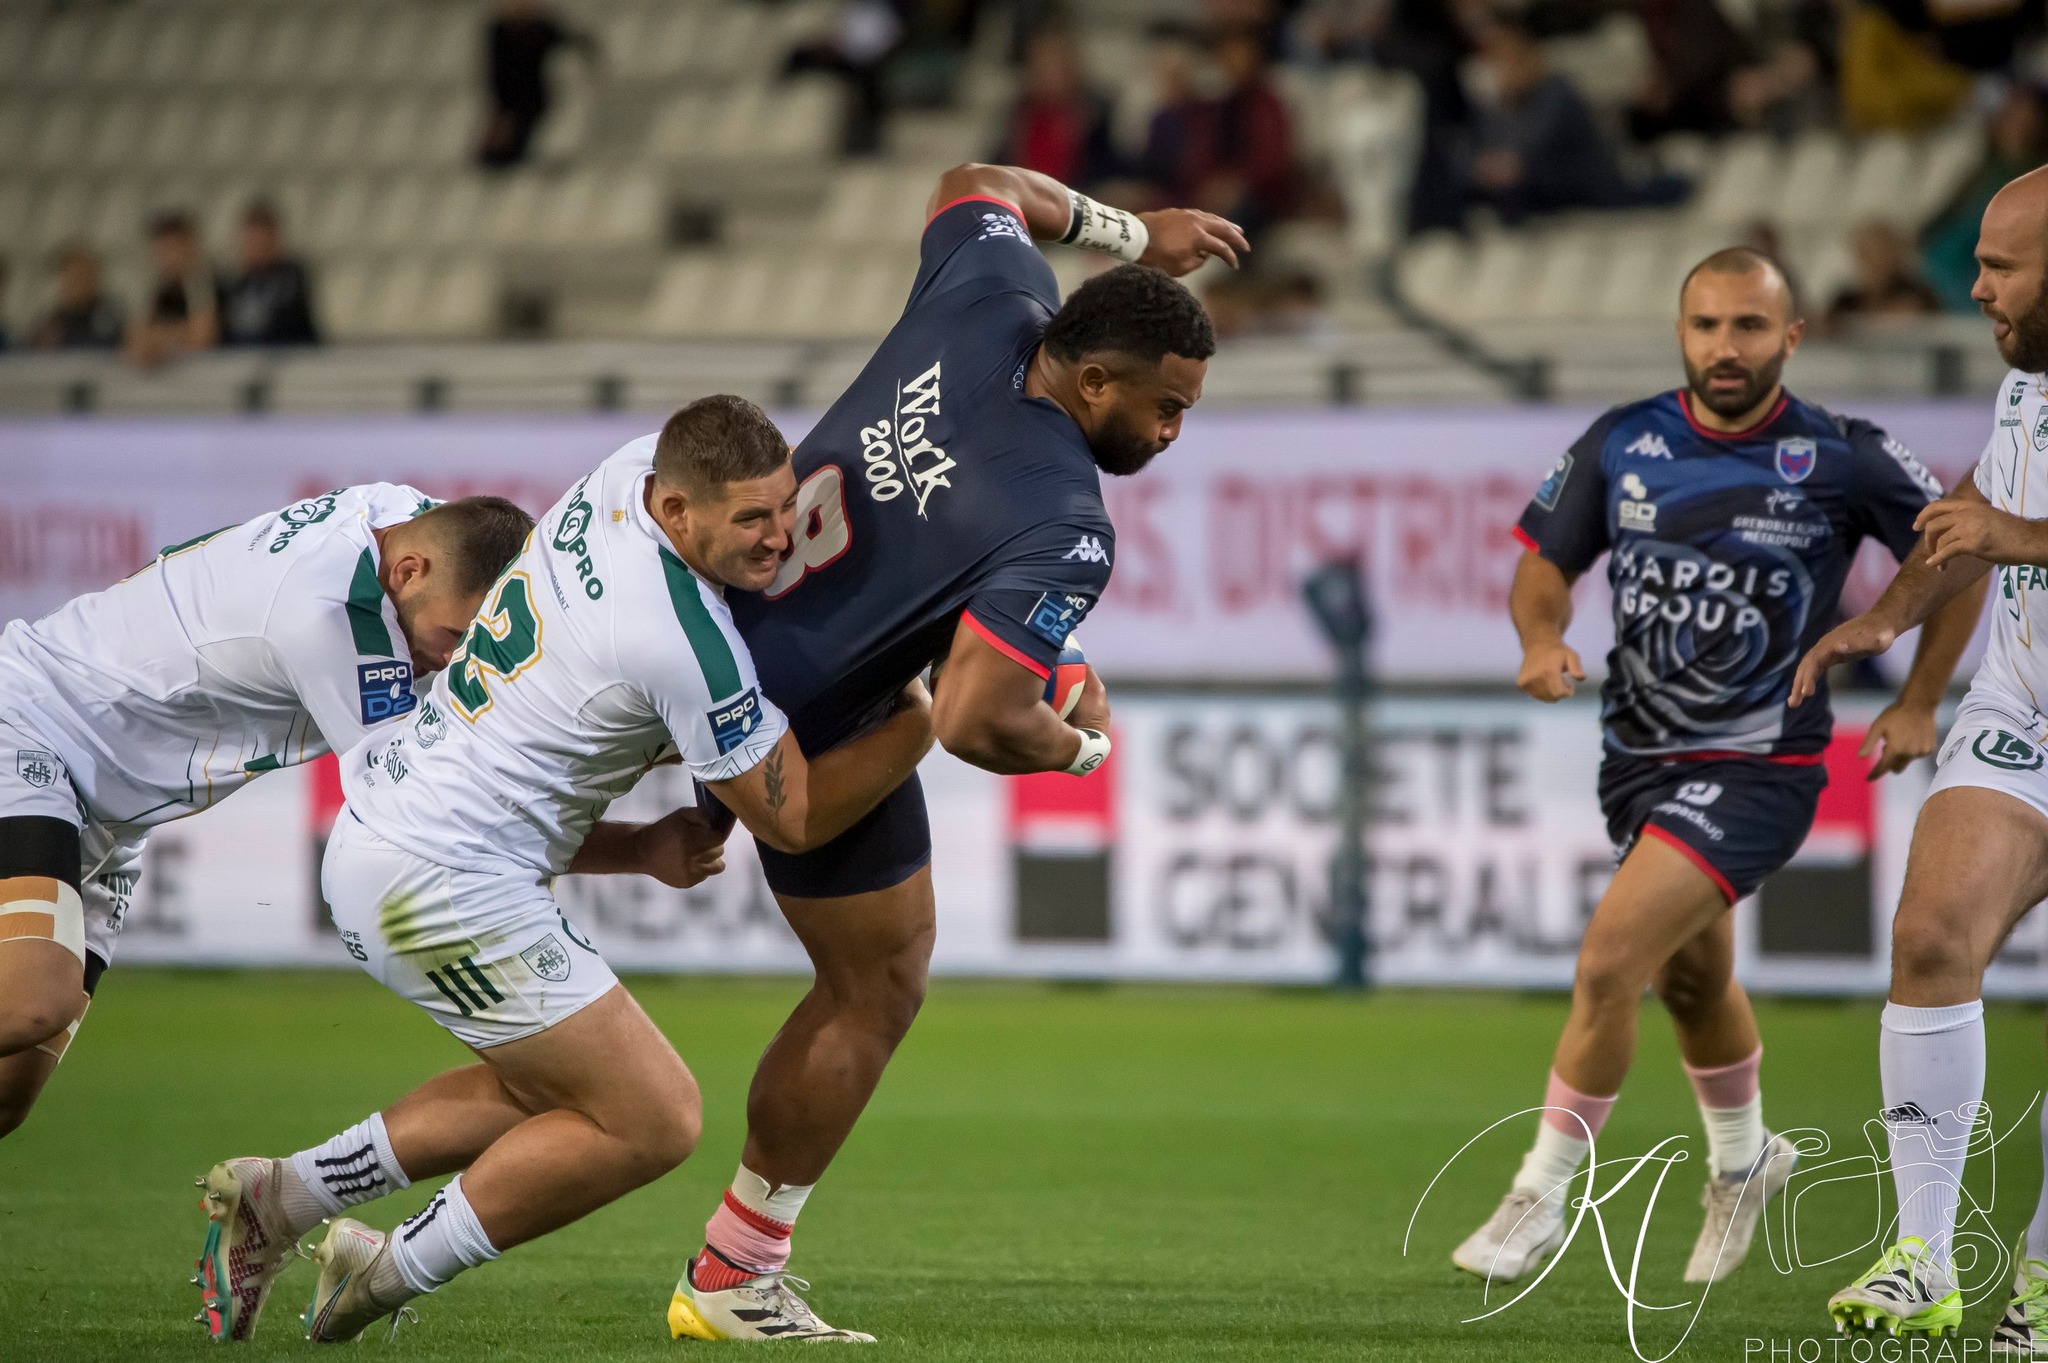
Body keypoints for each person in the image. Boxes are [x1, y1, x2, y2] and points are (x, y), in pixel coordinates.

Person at [199, 397, 938, 1343]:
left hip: (402, 836)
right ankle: (384, 1267)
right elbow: (790, 819)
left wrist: (637, 848)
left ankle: (285, 1193)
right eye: (750, 519)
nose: (778, 535)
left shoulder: (623, 475)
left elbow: (565, 719)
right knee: (654, 1117)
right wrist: (921, 720)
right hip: (439, 880)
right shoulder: (678, 636)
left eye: (783, 506)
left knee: (550, 1087)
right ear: (677, 511)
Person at [661, 164, 1241, 1342]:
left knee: (498, 886)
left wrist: (1128, 232)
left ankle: (340, 1185)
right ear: (1089, 380)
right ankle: (730, 1274)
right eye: (1164, 407)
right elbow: (978, 718)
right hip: (795, 721)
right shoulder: (1064, 518)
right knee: (874, 984)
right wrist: (1075, 747)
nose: (1172, 434)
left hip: (695, 630)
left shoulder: (989, 292)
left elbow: (975, 181)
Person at [1452, 246, 1986, 1288]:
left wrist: (1920, 697)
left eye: (1748, 326)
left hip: (1758, 765)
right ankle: (1745, 1161)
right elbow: (1540, 562)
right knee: (1690, 978)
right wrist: (1538, 638)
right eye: (1705, 326)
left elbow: (1953, 553)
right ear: (1680, 331)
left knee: (1608, 960)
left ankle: (1541, 1191)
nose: (1724, 347)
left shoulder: (1838, 453)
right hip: (1637, 759)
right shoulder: (1623, 440)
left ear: (1789, 337)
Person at [0, 490, 534, 1153]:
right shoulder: (334, 613)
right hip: (33, 729)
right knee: (33, 1002)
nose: (454, 661)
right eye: (454, 637)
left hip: (112, 812)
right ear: (408, 572)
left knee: (7, 1096)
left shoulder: (403, 523)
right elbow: (421, 805)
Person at [1803, 165, 2048, 1348]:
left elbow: (2007, 525)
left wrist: (2024, 538)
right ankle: (1921, 1255)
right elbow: (1972, 508)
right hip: (2023, 706)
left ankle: (2043, 1284)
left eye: (2000, 264)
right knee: (1929, 936)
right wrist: (1888, 618)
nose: (1975, 284)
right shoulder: (2025, 380)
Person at [991, 27, 1121, 192]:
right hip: (1023, 198)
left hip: (1077, 199)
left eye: (1057, 64)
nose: (1050, 73)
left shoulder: (1096, 113)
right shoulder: (1019, 110)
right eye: (1043, 65)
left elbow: (1107, 168)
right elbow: (997, 163)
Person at [478, 0, 597, 168]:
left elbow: (576, 41)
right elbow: (496, 73)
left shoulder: (542, 29)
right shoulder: (500, 32)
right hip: (511, 101)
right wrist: (504, 111)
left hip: (535, 99)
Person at [126, 212, 219, 368]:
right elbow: (135, 341)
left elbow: (203, 338)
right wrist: (180, 334)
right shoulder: (154, 289)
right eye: (164, 249)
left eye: (177, 247)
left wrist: (157, 338)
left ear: (191, 247)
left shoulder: (205, 284)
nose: (171, 257)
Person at [220, 202, 319, 347]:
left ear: (275, 240)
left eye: (262, 241)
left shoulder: (292, 277)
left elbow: (285, 328)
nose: (256, 248)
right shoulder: (235, 285)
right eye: (251, 241)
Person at [1825, 221, 1941, 333]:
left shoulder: (1920, 296)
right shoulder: (1845, 303)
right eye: (1867, 254)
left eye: (1880, 253)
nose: (1875, 263)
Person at [30, 244, 124, 351]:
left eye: (84, 276)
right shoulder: (50, 325)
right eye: (74, 278)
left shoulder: (113, 318)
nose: (79, 285)